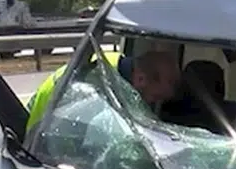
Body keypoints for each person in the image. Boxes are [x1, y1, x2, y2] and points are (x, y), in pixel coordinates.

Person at [25, 48, 180, 133]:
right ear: (140, 79)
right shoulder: (99, 85)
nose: (151, 105)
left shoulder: (116, 64)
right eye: (154, 97)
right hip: (39, 138)